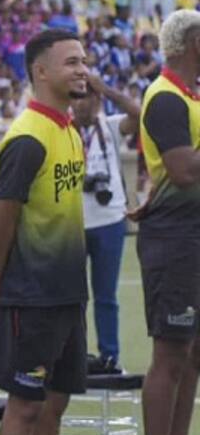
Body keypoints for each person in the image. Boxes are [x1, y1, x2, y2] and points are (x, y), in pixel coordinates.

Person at [0, 29, 105, 435]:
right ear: (40, 72)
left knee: (54, 405)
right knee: (25, 408)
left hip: (67, 294)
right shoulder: (28, 137)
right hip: (30, 296)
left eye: (84, 61)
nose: (82, 69)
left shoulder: (69, 130)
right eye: (71, 62)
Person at [133, 9, 200, 435]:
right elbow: (181, 169)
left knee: (191, 353)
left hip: (191, 236)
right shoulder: (165, 98)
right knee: (169, 353)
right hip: (174, 239)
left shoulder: (189, 97)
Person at [69, 75, 138, 375]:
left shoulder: (109, 127)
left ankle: (109, 355)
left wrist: (107, 89)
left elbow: (139, 114)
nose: (82, 104)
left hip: (109, 221)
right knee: (73, 296)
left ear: (97, 100)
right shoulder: (63, 130)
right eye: (77, 98)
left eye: (88, 97)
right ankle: (73, 355)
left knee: (106, 295)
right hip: (72, 223)